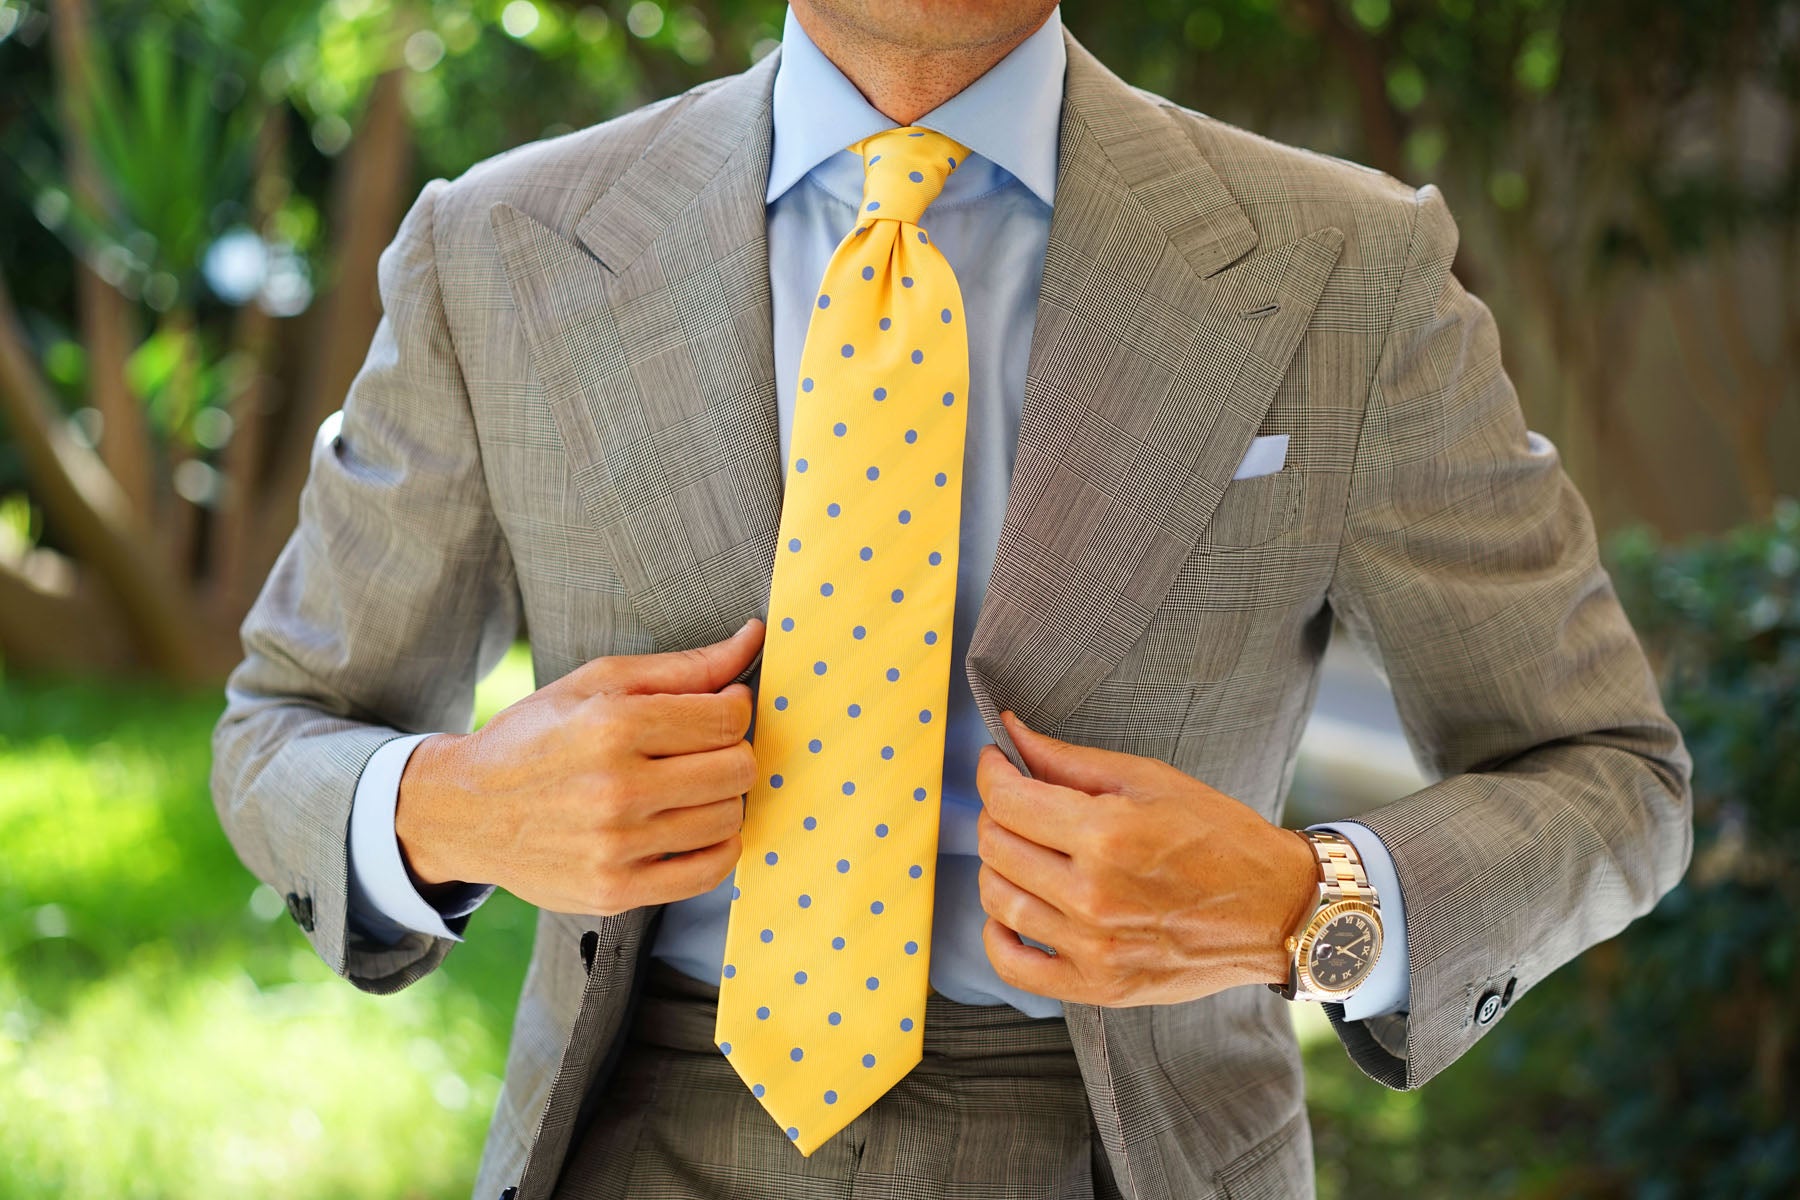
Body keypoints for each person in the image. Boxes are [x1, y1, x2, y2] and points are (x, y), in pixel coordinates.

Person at [209, 2, 1694, 1197]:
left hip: (1124, 1143)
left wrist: (1309, 909)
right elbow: (280, 731)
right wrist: (455, 807)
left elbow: (1615, 781)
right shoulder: (496, 252)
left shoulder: (1347, 270)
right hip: (635, 1124)